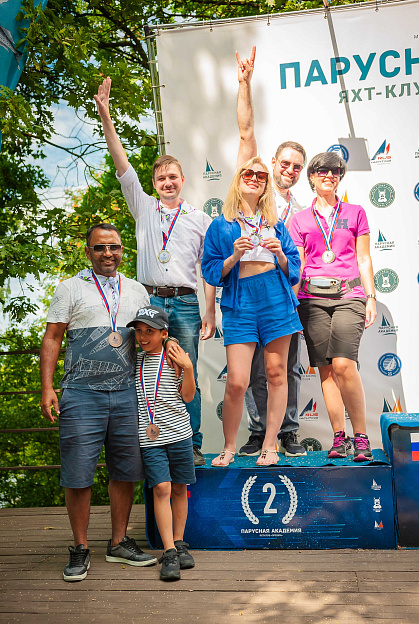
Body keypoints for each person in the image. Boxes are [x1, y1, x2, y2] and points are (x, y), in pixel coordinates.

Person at [95, 77, 216, 467]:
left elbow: (208, 270)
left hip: (185, 302)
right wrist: (105, 114)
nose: (167, 183)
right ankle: (148, 438)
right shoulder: (143, 206)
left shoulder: (199, 219)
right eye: (161, 178)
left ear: (183, 180)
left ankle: (191, 442)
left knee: (184, 367)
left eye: (173, 177)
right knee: (142, 369)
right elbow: (121, 162)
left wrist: (210, 311)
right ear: (152, 184)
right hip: (147, 301)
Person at [40, 224, 166, 582]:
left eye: (114, 247)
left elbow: (150, 337)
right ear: (87, 251)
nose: (107, 253)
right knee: (78, 474)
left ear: (123, 250)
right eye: (99, 248)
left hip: (127, 393)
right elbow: (52, 337)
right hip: (81, 394)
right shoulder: (70, 287)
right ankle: (80, 547)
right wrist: (47, 387)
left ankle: (118, 542)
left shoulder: (137, 290)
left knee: (126, 470)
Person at [201, 157, 302, 467]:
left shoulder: (276, 223)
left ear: (266, 184)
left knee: (276, 374)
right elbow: (210, 271)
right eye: (249, 173)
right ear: (238, 179)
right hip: (240, 301)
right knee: (237, 381)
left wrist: (280, 254)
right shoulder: (221, 224)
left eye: (261, 175)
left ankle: (270, 444)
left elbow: (294, 270)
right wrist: (233, 256)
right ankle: (229, 446)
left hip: (276, 298)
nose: (255, 178)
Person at [235, 46, 307, 457]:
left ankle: (289, 431)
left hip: (286, 297)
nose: (289, 170)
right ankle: (258, 430)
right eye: (285, 163)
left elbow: (300, 259)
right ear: (273, 162)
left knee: (286, 370)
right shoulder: (255, 187)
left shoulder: (303, 209)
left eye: (297, 166)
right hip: (250, 295)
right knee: (253, 371)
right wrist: (244, 84)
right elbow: (246, 134)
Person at [289, 152, 377, 461]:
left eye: (336, 171)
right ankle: (341, 437)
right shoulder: (299, 219)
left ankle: (361, 436)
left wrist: (371, 296)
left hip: (348, 296)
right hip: (311, 300)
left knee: (343, 365)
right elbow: (299, 266)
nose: (329, 175)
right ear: (312, 177)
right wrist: (292, 302)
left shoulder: (355, 212)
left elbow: (363, 258)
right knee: (326, 370)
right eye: (322, 170)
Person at [127, 306, 196, 581]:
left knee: (179, 488)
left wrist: (188, 367)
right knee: (161, 488)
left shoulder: (175, 358)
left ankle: (179, 542)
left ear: (164, 334)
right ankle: (168, 551)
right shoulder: (134, 361)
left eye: (150, 331)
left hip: (180, 434)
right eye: (139, 331)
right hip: (150, 439)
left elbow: (188, 397)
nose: (143, 337)